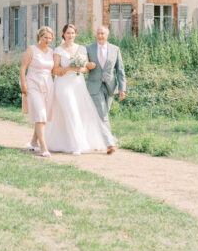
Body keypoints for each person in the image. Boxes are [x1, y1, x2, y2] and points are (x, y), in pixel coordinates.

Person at [46, 23, 116, 154]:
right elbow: (55, 70)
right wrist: (69, 68)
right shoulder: (58, 50)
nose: (70, 35)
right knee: (71, 110)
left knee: (81, 113)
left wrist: (83, 67)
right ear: (63, 34)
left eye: (72, 33)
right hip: (63, 84)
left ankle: (70, 141)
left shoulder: (82, 49)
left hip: (78, 84)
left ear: (75, 34)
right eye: (68, 33)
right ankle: (77, 145)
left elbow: (85, 69)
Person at [85, 25, 126, 154]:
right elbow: (84, 66)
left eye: (102, 33)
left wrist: (122, 88)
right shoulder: (88, 48)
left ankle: (97, 139)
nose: (100, 36)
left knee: (103, 115)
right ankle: (110, 143)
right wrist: (87, 65)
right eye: (98, 33)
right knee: (103, 114)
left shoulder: (115, 49)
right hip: (94, 86)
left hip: (110, 87)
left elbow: (120, 70)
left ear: (107, 35)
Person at [20, 26, 55, 158]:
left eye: (50, 38)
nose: (48, 40)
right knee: (40, 114)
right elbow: (23, 68)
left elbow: (54, 69)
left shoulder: (52, 52)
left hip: (48, 85)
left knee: (44, 115)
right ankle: (43, 147)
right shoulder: (32, 50)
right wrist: (23, 85)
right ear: (39, 37)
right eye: (45, 37)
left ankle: (33, 142)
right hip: (33, 84)